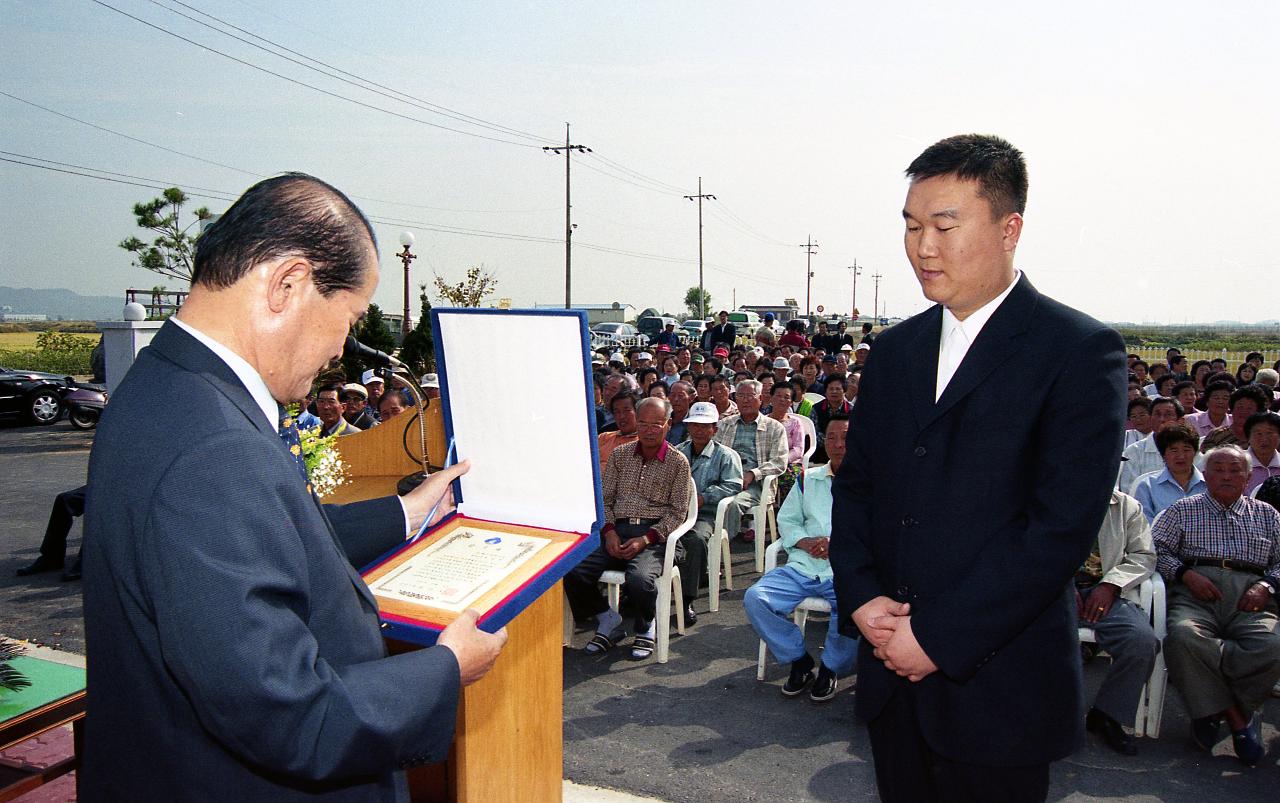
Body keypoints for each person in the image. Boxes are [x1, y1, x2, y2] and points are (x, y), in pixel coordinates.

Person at [81, 173, 506, 799]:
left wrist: (407, 512)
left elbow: (261, 541)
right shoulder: (214, 447)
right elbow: (289, 715)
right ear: (289, 284)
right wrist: (443, 672)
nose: (342, 349)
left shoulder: (167, 388)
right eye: (351, 319)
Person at [830, 134, 1126, 802]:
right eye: (910, 226)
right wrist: (863, 595)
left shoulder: (1076, 350)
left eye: (943, 225)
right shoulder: (897, 350)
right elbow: (857, 487)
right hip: (889, 677)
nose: (922, 246)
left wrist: (936, 636)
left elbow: (1059, 527)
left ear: (1008, 226)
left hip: (999, 688)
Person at [1153, 446, 1280, 767]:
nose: (1226, 475)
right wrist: (1185, 573)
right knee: (1183, 637)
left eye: (1235, 470)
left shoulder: (1268, 514)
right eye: (1218, 469)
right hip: (1196, 590)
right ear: (1205, 475)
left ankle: (1210, 708)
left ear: (1248, 477)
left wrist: (1267, 585)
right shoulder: (1182, 510)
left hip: (1251, 595)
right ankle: (1237, 719)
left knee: (1272, 644)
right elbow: (1153, 548)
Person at [565, 397, 692, 661]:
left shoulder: (678, 462)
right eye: (643, 423)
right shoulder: (620, 455)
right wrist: (609, 531)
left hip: (655, 535)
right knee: (572, 570)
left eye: (655, 424)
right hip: (617, 530)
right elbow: (605, 500)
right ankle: (608, 619)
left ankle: (646, 627)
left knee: (640, 579)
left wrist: (646, 539)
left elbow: (678, 512)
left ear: (667, 425)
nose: (648, 430)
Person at [745, 417, 858, 702]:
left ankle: (831, 668)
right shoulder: (809, 478)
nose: (838, 444)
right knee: (755, 598)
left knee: (852, 606)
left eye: (844, 437)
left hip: (844, 570)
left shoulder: (870, 483)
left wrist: (839, 546)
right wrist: (805, 542)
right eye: (831, 438)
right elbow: (789, 520)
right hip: (804, 565)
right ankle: (799, 660)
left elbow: (877, 529)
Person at [1076, 490, 1160, 756]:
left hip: (1107, 592)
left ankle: (1107, 714)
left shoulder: (1127, 506)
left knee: (1141, 641)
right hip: (1055, 591)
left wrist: (1112, 584)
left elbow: (1143, 555)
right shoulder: (1053, 496)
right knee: (1036, 636)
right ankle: (1045, 714)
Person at [675, 402, 744, 623]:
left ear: (714, 429)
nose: (699, 430)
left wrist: (705, 496)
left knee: (695, 539)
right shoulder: (678, 451)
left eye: (705, 426)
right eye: (695, 425)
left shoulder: (726, 455)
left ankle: (686, 601)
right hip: (677, 511)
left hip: (706, 514)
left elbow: (734, 484)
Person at [715, 380, 788, 543]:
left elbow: (779, 462)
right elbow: (714, 453)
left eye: (750, 396)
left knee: (732, 504)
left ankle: (720, 546)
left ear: (761, 398)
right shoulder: (725, 424)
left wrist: (753, 474)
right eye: (741, 396)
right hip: (725, 479)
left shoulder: (775, 427)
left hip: (756, 485)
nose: (745, 400)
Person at [1130, 422, 1206, 522]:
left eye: (1186, 450)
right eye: (1174, 450)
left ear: (1195, 452)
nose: (1181, 456)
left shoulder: (1209, 484)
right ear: (1163, 454)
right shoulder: (1147, 486)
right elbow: (1145, 526)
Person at [15, 485, 88, 582]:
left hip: (113, 491)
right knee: (64, 499)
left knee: (100, 504)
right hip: (104, 482)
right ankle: (52, 558)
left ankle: (87, 560)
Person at [1119, 397, 1184, 493]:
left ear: (1180, 421)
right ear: (1150, 418)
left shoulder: (1191, 451)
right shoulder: (1133, 451)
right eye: (1157, 414)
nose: (1162, 419)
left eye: (1168, 414)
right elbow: (1129, 490)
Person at [598, 390, 640, 474]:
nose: (621, 416)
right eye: (617, 412)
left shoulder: (644, 443)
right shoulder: (604, 437)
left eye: (626, 410)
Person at [1243, 411, 1280, 493]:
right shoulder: (1238, 462)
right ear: (1248, 437)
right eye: (1259, 434)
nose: (1264, 439)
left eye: (1270, 433)